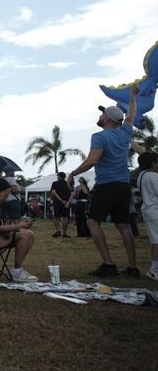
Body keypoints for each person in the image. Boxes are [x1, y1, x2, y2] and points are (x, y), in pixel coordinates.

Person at [68, 85, 139, 277]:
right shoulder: (125, 133)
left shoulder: (99, 136)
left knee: (92, 222)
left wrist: (73, 173)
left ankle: (108, 264)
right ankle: (132, 267)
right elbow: (131, 115)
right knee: (124, 226)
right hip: (123, 185)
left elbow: (92, 160)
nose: (100, 116)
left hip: (106, 185)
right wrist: (133, 96)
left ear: (107, 118)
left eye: (102, 114)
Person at [136, 152, 158, 281]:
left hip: (148, 210)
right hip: (155, 210)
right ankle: (154, 270)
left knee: (154, 241)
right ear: (153, 163)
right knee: (157, 241)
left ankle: (154, 267)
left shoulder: (141, 175)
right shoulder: (153, 176)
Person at [49, 172, 72, 238]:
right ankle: (64, 233)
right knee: (65, 217)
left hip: (57, 202)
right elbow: (72, 193)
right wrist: (66, 201)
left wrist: (60, 200)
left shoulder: (55, 183)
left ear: (59, 176)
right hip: (66, 203)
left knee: (56, 217)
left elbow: (53, 192)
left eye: (57, 176)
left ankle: (58, 231)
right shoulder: (68, 183)